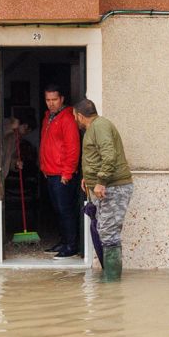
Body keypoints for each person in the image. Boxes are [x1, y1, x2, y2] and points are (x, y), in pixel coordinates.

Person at [72, 98, 132, 279]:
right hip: (104, 186)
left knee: (108, 233)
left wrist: (101, 182)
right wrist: (88, 178)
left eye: (75, 116)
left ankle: (112, 283)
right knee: (105, 231)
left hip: (112, 188)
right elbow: (97, 157)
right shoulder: (96, 127)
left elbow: (109, 154)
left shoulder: (99, 127)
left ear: (80, 116)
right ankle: (110, 281)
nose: (75, 120)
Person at [38, 84, 83, 258]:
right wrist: (43, 166)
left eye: (54, 100)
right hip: (50, 171)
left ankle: (71, 245)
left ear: (62, 99)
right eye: (48, 100)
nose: (51, 103)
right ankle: (64, 241)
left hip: (62, 174)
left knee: (66, 210)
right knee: (57, 209)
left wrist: (67, 172)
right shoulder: (48, 116)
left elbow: (73, 147)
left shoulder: (67, 118)